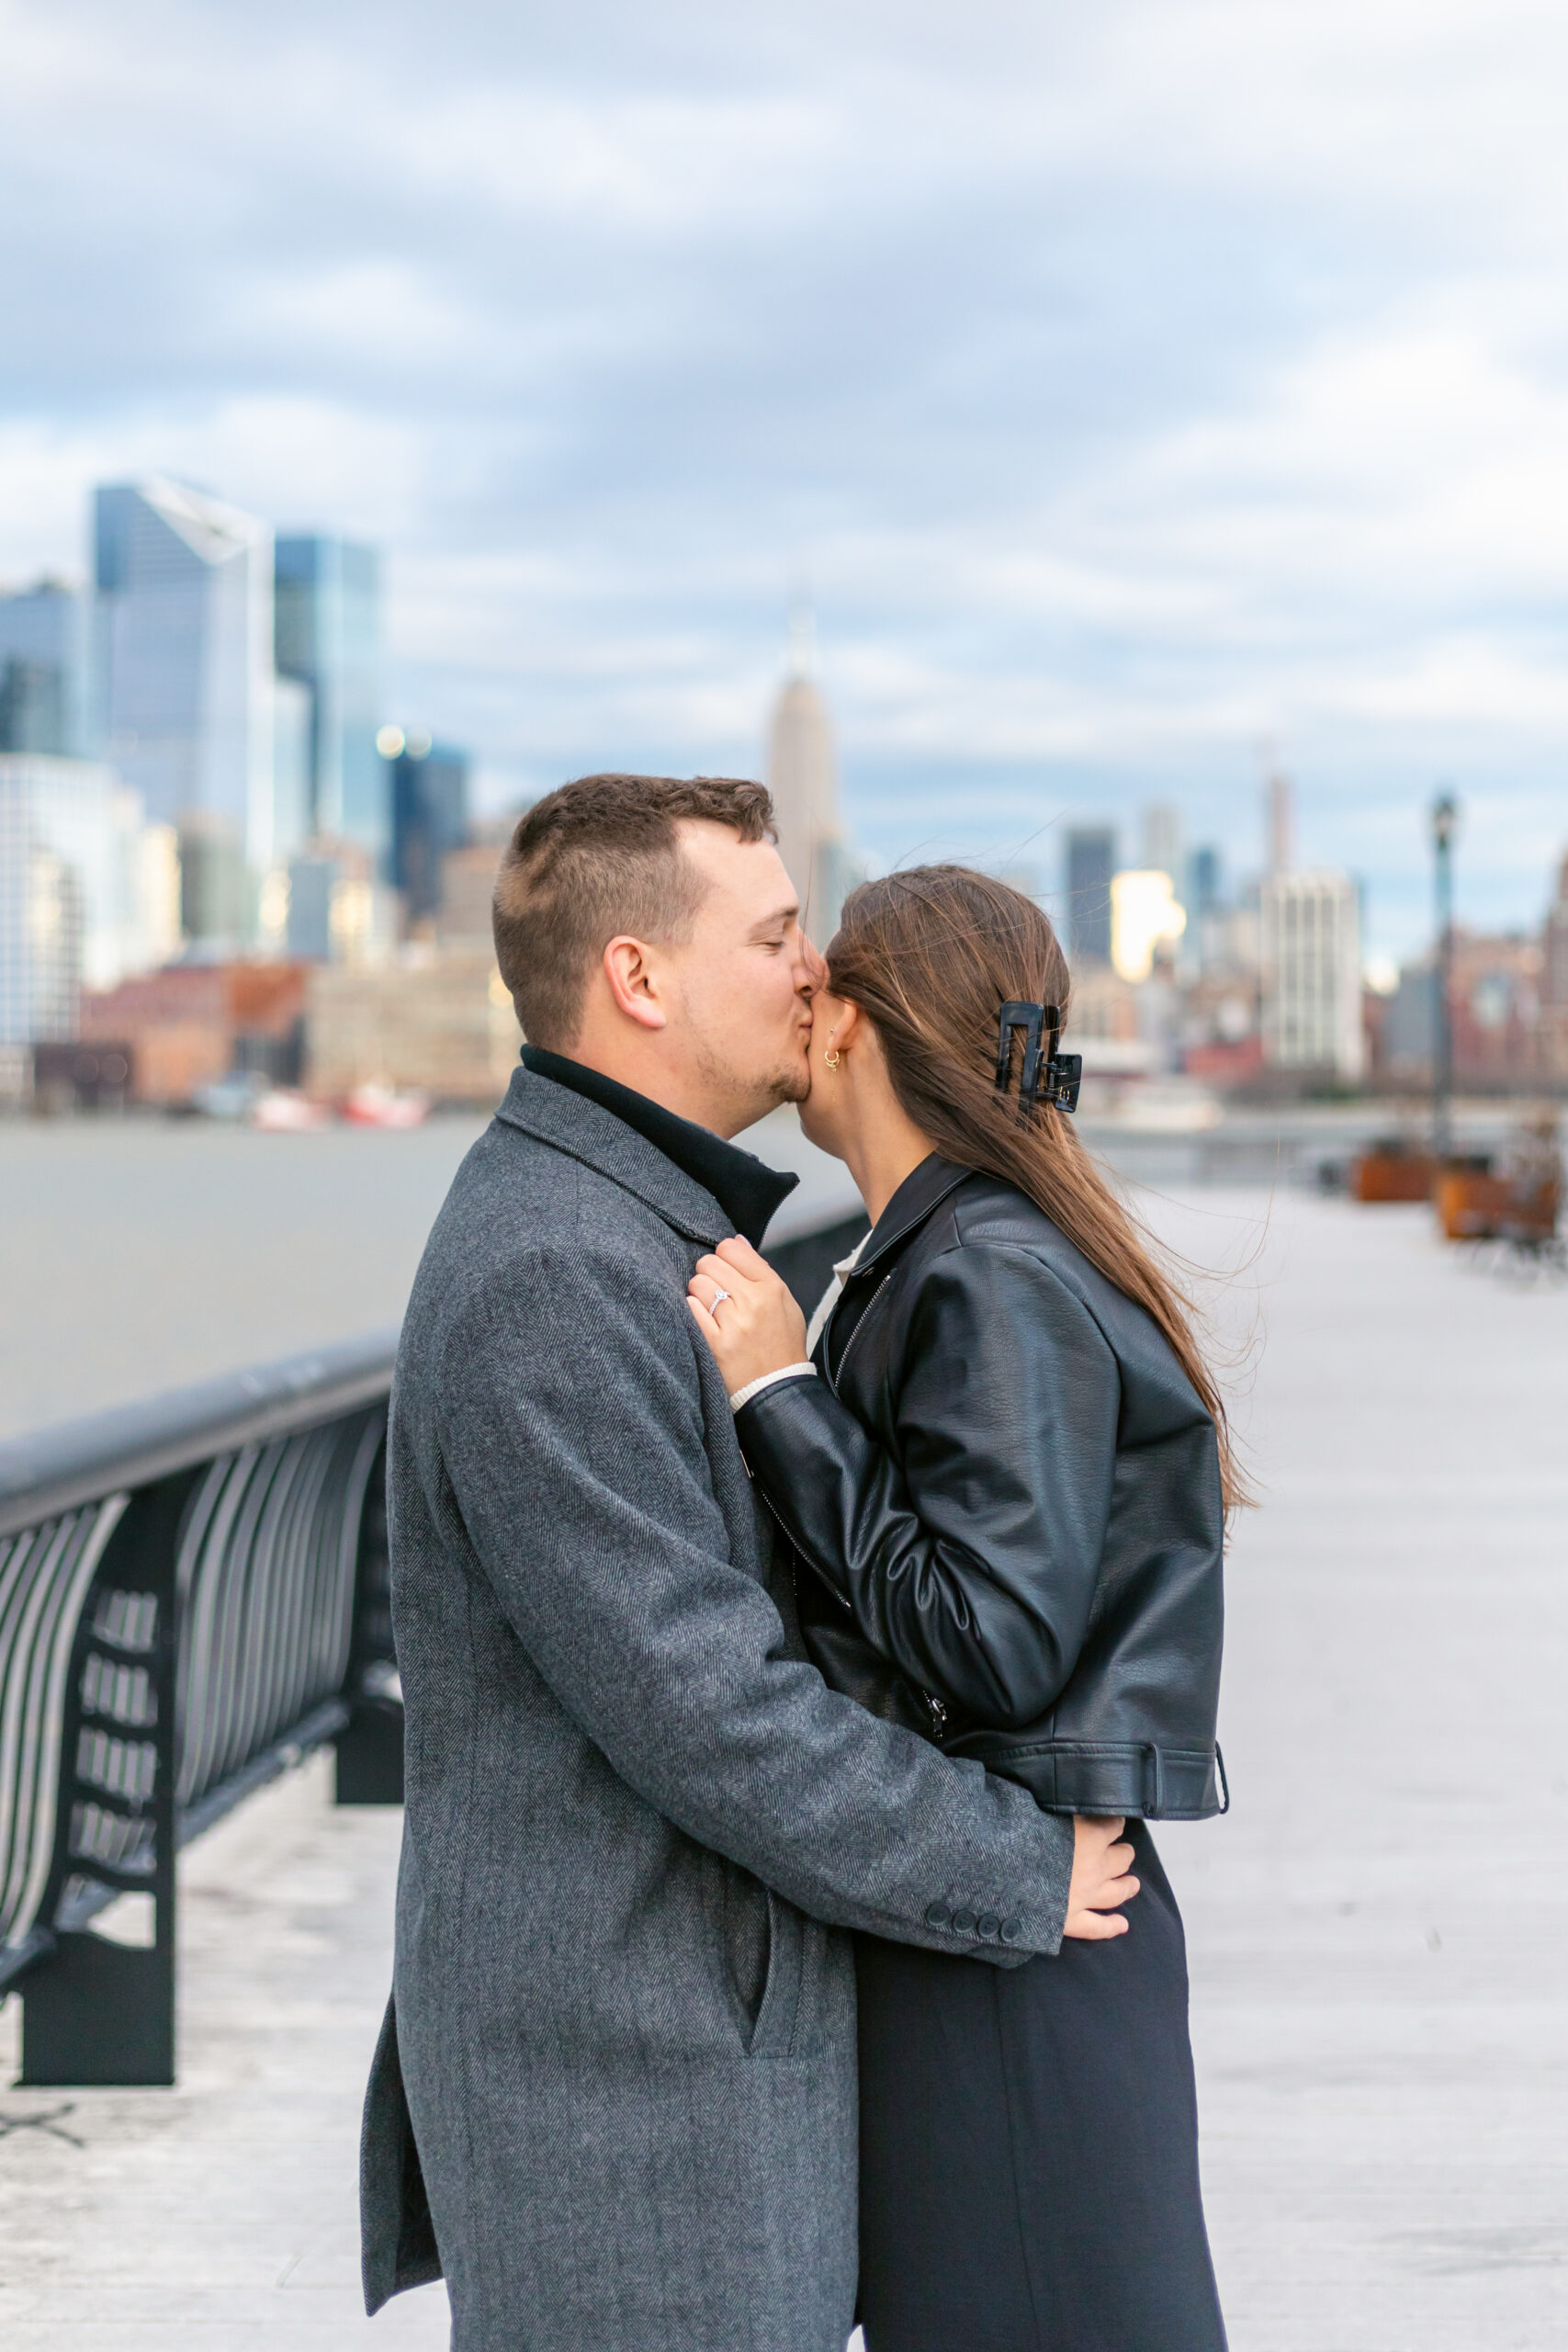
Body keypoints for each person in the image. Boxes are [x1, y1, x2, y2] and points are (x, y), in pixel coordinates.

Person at [359, 777, 1139, 2352]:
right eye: (778, 932)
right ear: (639, 978)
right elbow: (713, 1710)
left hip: (683, 2058)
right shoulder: (555, 1278)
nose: (813, 973)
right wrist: (1012, 1867)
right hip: (630, 2102)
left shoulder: (625, 1233)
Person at [688, 864, 1234, 2352]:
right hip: (1003, 1922)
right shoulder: (959, 1244)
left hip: (1018, 1959)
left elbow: (993, 1638)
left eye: (821, 972)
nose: (799, 994)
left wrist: (780, 1394)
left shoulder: (986, 1266)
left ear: (861, 1021)